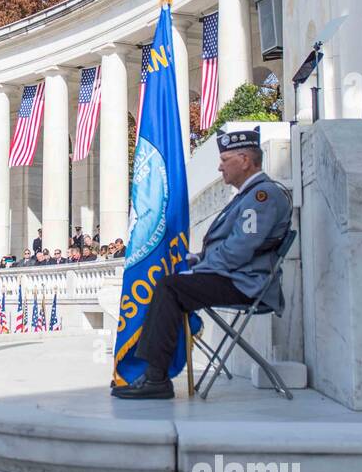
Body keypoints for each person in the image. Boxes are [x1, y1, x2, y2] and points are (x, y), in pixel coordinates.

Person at [114, 130, 292, 400]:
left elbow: (238, 252)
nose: (220, 166)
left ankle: (156, 377)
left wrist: (195, 270)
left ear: (244, 160)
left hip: (246, 284)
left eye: (225, 159)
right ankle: (153, 373)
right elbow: (229, 249)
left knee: (170, 288)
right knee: (170, 283)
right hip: (234, 277)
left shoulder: (261, 197)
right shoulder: (249, 196)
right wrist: (195, 260)